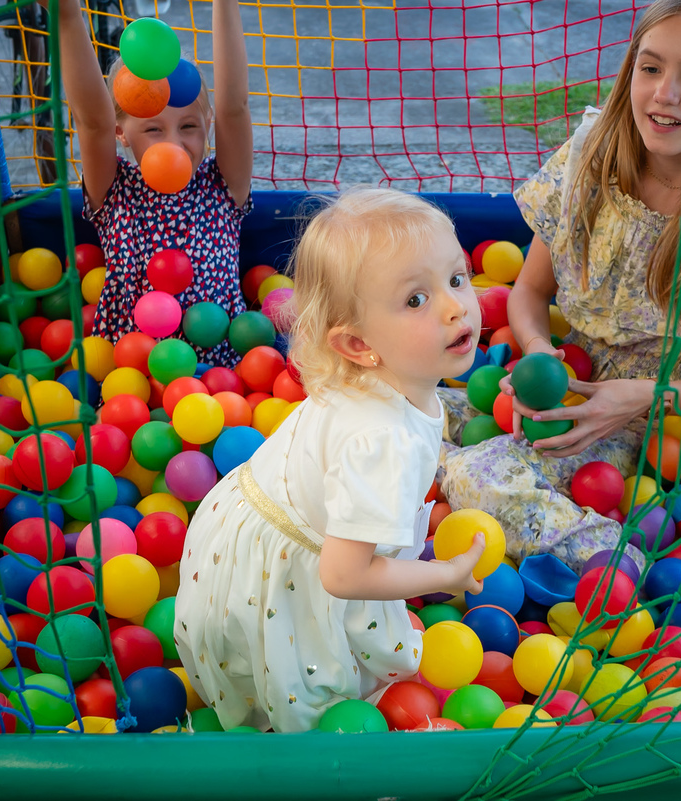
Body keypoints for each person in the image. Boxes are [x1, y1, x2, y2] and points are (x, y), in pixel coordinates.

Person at [438, 0, 681, 572]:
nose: (666, 93)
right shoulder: (592, 155)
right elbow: (529, 293)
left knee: (475, 475)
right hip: (564, 383)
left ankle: (613, 562)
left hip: (643, 421)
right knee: (390, 407)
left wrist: (641, 398)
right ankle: (430, 469)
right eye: (651, 67)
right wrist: (540, 358)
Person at [174, 188, 489, 732]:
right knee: (332, 722)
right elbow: (343, 575)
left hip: (244, 542)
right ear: (357, 344)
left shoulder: (381, 378)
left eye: (457, 278)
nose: (455, 305)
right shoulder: (381, 441)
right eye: (416, 299)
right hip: (273, 592)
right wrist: (441, 572)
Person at [52, 0, 253, 366]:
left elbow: (234, 106)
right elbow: (91, 121)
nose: (174, 143)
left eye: (189, 126)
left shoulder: (222, 186)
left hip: (221, 381)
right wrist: (66, 13)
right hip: (130, 381)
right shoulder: (115, 191)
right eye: (153, 129)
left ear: (208, 123)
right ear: (122, 133)